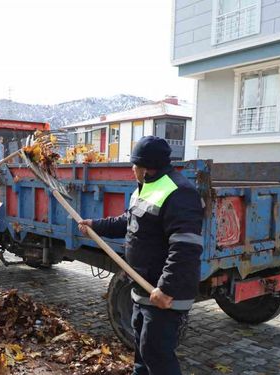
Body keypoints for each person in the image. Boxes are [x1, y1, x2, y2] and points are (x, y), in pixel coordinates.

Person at [78, 136, 203, 375]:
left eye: (134, 165)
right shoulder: (146, 188)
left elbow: (185, 247)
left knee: (156, 354)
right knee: (141, 352)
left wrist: (165, 288)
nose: (132, 169)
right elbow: (128, 221)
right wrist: (95, 225)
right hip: (142, 288)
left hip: (162, 295)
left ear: (146, 168)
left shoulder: (179, 192)